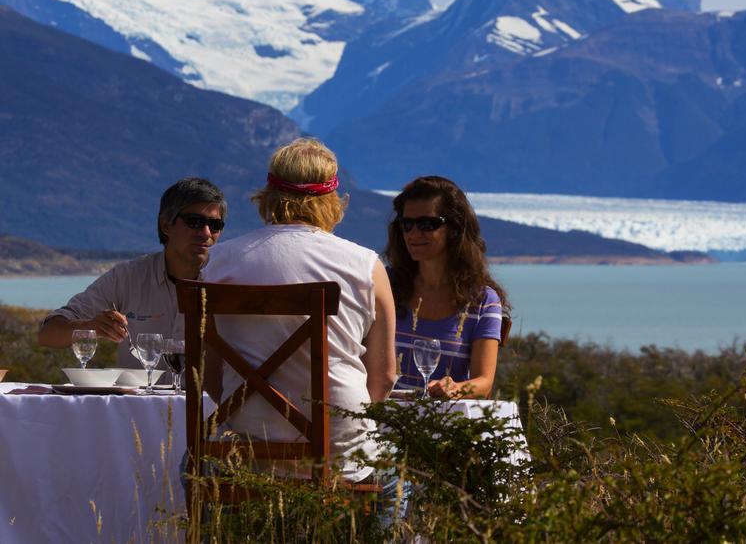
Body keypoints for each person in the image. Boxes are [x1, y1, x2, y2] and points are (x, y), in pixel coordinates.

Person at [201, 137, 397, 487]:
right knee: (397, 474)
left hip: (248, 444)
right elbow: (383, 377)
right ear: (334, 200)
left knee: (191, 463)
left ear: (268, 196)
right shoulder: (365, 266)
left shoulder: (218, 262)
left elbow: (211, 376)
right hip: (340, 448)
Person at [38, 177, 226, 367]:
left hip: (209, 398)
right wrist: (88, 327)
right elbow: (48, 334)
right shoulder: (128, 277)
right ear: (166, 225)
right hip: (136, 397)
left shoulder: (229, 280)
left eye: (215, 225)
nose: (206, 233)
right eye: (194, 222)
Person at [386, 176, 509, 399]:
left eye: (427, 224)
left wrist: (455, 389)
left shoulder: (483, 301)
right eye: (406, 224)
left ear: (454, 229)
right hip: (381, 421)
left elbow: (484, 381)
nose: (413, 234)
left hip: (444, 423)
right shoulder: (386, 287)